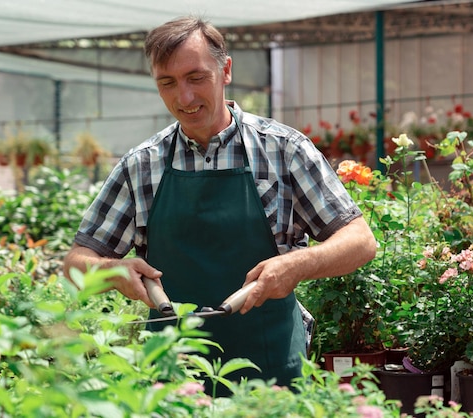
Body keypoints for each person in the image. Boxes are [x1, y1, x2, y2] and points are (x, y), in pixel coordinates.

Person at [63, 16, 376, 395]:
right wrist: (113, 271)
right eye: (168, 83)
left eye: (196, 78)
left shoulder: (283, 150)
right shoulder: (142, 164)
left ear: (225, 70)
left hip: (271, 371)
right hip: (173, 378)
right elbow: (76, 263)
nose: (184, 98)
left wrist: (296, 265)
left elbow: (360, 241)